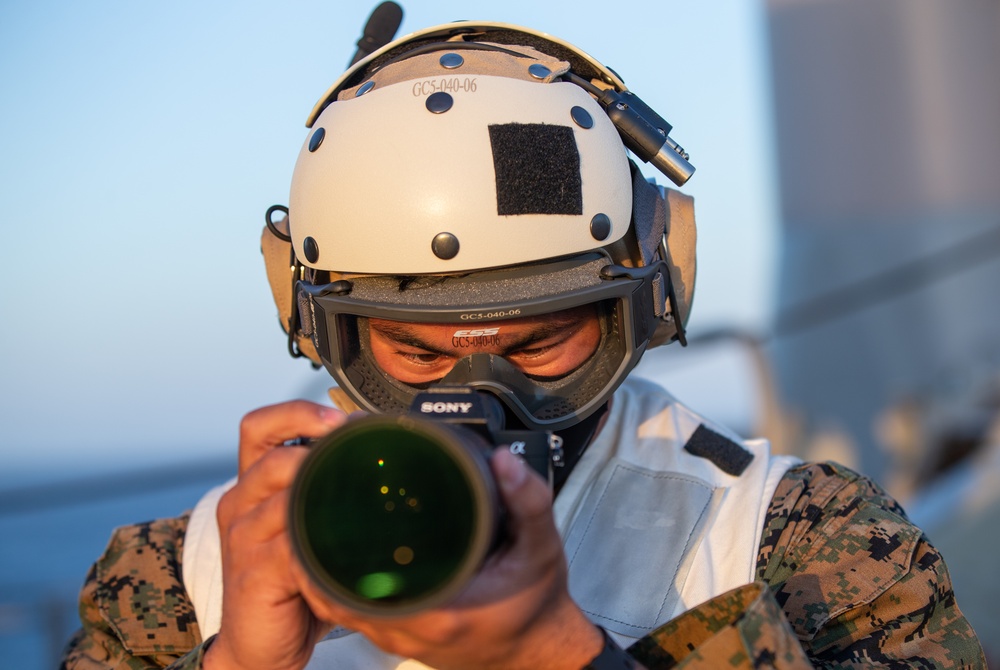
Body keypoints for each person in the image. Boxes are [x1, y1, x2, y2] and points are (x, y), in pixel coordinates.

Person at [61, 20, 985, 670]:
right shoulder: (186, 576)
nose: (479, 393)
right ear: (321, 331)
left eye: (540, 343)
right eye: (419, 356)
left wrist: (557, 652)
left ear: (648, 302)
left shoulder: (806, 542)